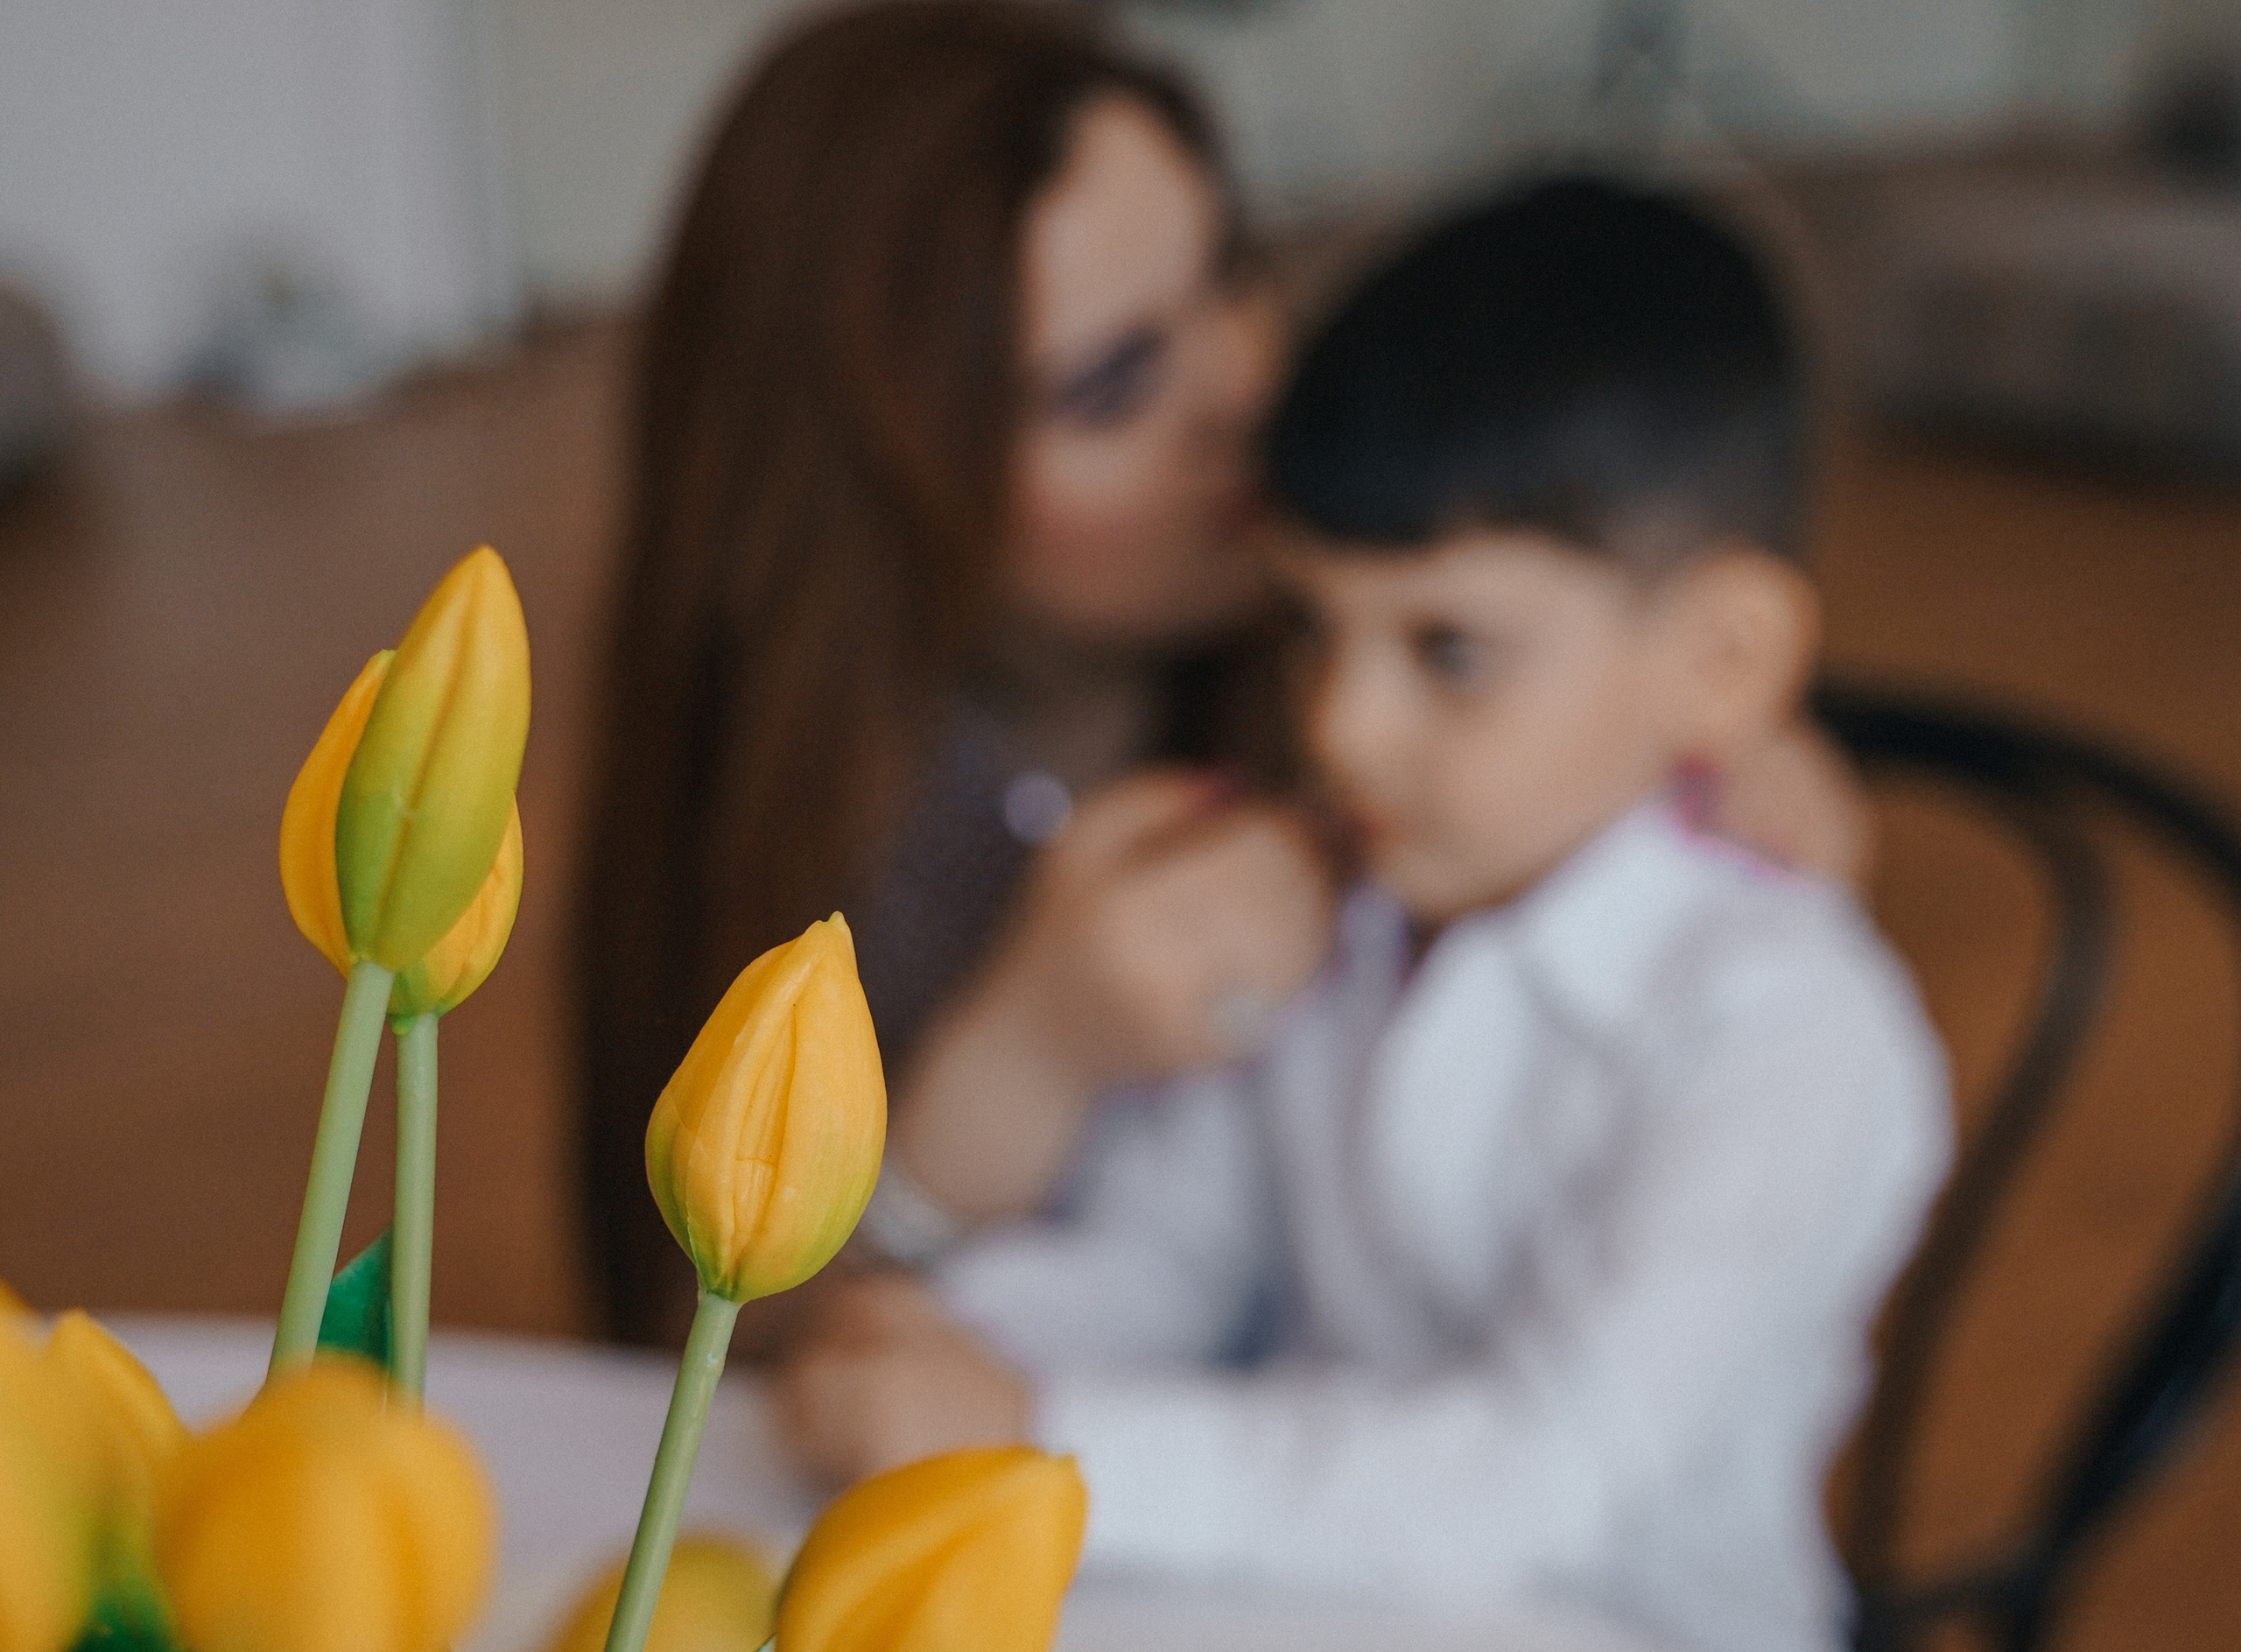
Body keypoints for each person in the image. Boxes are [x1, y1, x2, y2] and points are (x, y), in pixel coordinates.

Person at [778, 176, 1953, 1652]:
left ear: (1724, 660)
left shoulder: (1789, 1035)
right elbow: (1174, 1253)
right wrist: (944, 1337)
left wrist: (1031, 1432)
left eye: (1447, 652)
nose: (1341, 725)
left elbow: (1538, 1475)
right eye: (1311, 632)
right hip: (1315, 1638)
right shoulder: (1335, 908)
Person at [573, 1, 1866, 1351]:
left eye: (1232, 272)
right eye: (1116, 384)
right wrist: (1025, 1059)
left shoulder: (1373, 656)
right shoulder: (833, 810)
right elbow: (697, 1380)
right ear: (871, 482)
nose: (1248, 387)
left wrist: (1693, 779)